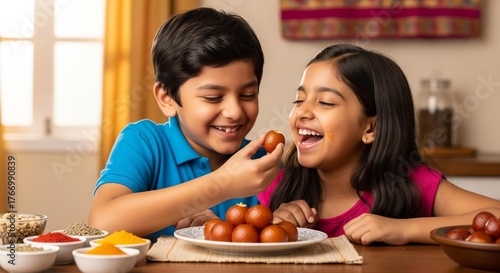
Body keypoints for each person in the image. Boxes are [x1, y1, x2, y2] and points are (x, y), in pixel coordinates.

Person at [258, 43, 500, 245]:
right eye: (299, 100)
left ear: (370, 128)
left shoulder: (412, 183)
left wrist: (404, 230)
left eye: (326, 103)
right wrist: (273, 228)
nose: (301, 112)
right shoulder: (279, 186)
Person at [89, 7, 284, 242]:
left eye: (248, 94)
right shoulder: (144, 141)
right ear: (167, 98)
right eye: (213, 97)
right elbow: (102, 222)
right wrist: (222, 184)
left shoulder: (266, 162)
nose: (234, 112)